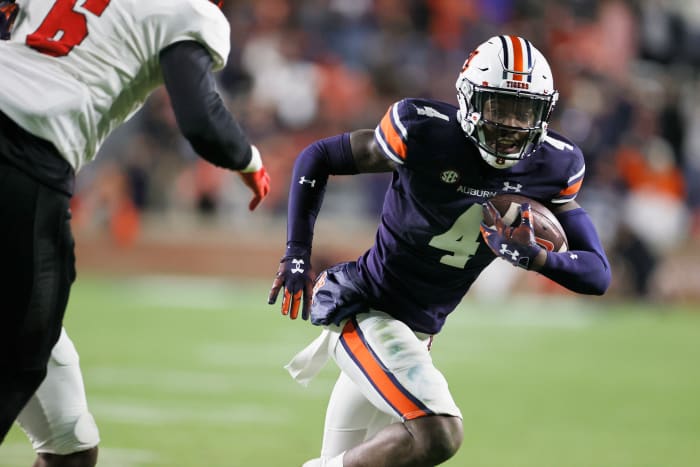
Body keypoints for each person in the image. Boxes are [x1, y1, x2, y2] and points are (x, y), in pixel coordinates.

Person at [268, 35, 611, 467]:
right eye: (499, 106)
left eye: (524, 111)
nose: (511, 124)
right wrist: (297, 252)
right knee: (439, 432)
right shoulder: (423, 131)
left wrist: (533, 257)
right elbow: (319, 156)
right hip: (369, 311)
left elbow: (597, 273)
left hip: (418, 333)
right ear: (469, 98)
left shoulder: (552, 165)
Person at [0, 0, 271, 466]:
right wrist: (250, 160)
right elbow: (202, 121)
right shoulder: (187, 11)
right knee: (16, 360)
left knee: (70, 444)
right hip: (24, 162)